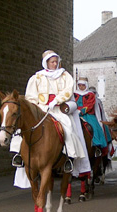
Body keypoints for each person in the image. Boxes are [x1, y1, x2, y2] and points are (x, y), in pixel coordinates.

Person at [11, 50, 91, 187]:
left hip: (58, 108)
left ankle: (69, 157)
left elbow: (68, 90)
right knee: (22, 129)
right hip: (40, 109)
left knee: (67, 127)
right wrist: (37, 107)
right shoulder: (36, 78)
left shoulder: (65, 75)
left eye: (56, 62)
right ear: (46, 63)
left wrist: (57, 101)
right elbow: (30, 96)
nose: (55, 64)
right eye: (52, 62)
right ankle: (19, 155)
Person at [74, 77, 107, 155]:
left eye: (83, 85)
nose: (81, 87)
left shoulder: (90, 94)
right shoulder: (74, 94)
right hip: (75, 114)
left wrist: (82, 111)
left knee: (95, 127)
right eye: (79, 85)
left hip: (87, 114)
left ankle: (97, 146)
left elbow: (90, 105)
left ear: (86, 85)